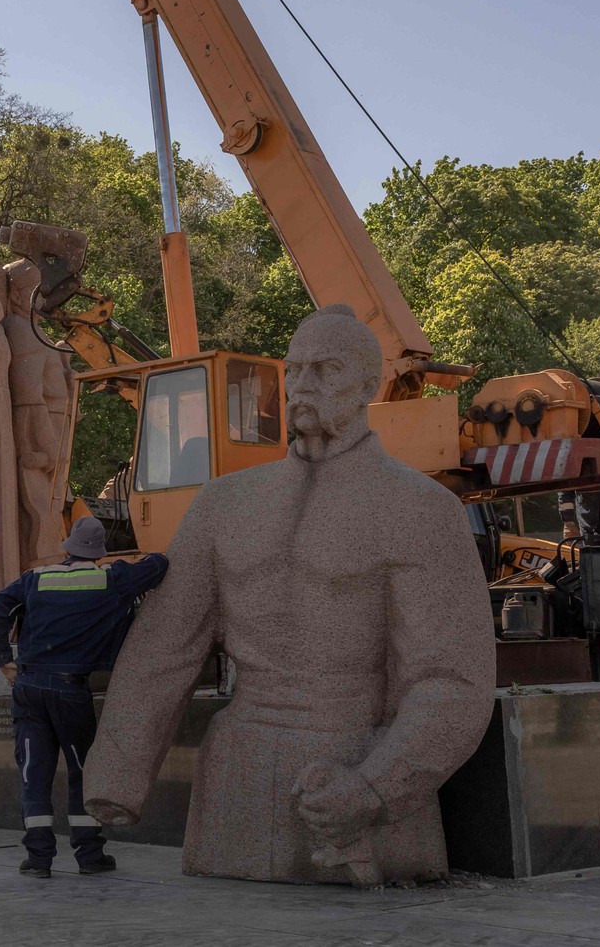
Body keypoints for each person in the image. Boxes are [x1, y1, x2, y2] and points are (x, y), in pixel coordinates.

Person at [82, 305, 496, 886]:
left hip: (353, 781)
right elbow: (162, 648)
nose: (302, 386)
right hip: (235, 797)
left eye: (325, 370)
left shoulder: (419, 509)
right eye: (294, 371)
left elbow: (452, 678)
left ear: (367, 385)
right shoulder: (223, 504)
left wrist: (376, 786)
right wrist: (116, 778)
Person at [0, 516, 169, 879]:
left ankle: (38, 860)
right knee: (81, 773)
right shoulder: (111, 580)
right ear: (98, 553)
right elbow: (160, 564)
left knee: (33, 771)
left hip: (29, 688)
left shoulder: (37, 578)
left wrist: (3, 661)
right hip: (70, 690)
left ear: (69, 548)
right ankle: (89, 855)